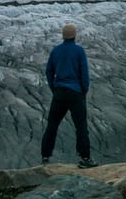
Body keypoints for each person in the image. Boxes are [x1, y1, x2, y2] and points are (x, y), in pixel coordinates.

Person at [40, 23, 98, 168]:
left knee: (52, 126)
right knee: (81, 127)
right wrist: (83, 91)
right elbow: (84, 74)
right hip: (75, 93)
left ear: (63, 35)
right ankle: (85, 159)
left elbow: (48, 71)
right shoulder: (79, 51)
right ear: (75, 35)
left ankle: (45, 157)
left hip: (59, 92)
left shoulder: (56, 50)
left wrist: (54, 88)